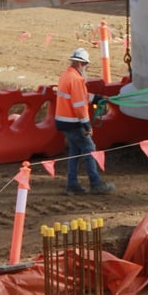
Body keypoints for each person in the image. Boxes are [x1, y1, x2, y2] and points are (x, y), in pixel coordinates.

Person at [54, 47, 115, 195]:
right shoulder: (76, 79)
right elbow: (79, 106)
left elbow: (80, 96)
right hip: (73, 122)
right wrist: (87, 125)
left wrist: (97, 98)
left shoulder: (66, 76)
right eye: (86, 65)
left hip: (64, 122)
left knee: (74, 152)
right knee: (89, 150)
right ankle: (96, 183)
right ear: (82, 64)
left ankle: (72, 184)